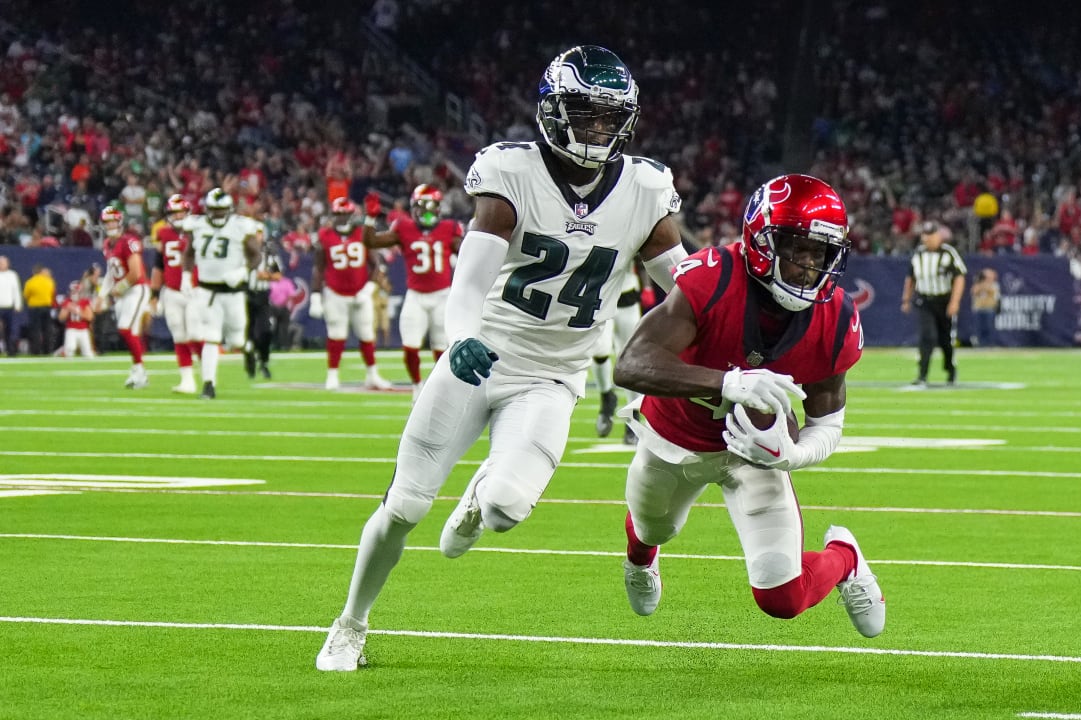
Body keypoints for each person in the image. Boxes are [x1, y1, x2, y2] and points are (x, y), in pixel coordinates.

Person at [315, 44, 690, 672]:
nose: (597, 129)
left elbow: (686, 291)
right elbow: (469, 281)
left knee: (505, 510)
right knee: (405, 505)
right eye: (584, 113)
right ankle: (351, 622)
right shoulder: (511, 172)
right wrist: (461, 337)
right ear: (552, 110)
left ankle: (477, 495)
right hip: (484, 353)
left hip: (554, 373)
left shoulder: (646, 188)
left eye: (608, 117)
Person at [612, 174, 885, 636]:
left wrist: (793, 455)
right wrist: (727, 382)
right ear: (760, 241)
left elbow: (828, 423)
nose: (805, 265)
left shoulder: (835, 316)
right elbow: (631, 364)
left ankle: (845, 559)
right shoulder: (714, 278)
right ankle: (641, 562)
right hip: (672, 438)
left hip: (752, 455)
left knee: (783, 598)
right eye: (794, 248)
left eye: (818, 252)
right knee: (653, 530)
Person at [362, 185, 465, 402]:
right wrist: (370, 219)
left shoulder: (449, 228)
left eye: (430, 206)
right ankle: (417, 385)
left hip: (442, 296)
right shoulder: (404, 228)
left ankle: (441, 388)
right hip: (416, 295)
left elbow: (468, 253)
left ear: (438, 208)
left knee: (440, 347)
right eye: (421, 206)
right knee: (410, 345)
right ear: (413, 208)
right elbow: (371, 241)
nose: (426, 212)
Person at [180, 187, 262, 399]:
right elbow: (189, 252)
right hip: (208, 291)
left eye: (221, 209)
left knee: (235, 339)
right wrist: (186, 276)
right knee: (211, 337)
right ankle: (209, 385)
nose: (217, 214)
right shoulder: (197, 225)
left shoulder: (240, 226)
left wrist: (243, 271)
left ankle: (247, 347)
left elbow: (256, 256)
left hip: (233, 292)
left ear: (229, 209)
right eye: (214, 209)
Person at [309, 196, 393, 391]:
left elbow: (377, 264)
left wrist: (370, 287)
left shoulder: (361, 234)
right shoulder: (325, 235)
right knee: (336, 334)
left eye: (344, 214)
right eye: (338, 214)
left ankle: (372, 375)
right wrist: (315, 295)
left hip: (360, 292)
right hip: (335, 293)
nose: (341, 218)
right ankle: (332, 374)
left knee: (366, 334)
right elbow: (319, 268)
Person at [901, 221, 967, 385]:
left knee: (945, 340)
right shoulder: (918, 254)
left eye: (931, 235)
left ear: (938, 236)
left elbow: (959, 277)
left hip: (944, 301)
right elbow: (911, 278)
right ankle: (922, 375)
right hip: (925, 301)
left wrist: (954, 302)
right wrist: (906, 299)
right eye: (926, 235)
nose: (928, 238)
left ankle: (950, 370)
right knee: (927, 336)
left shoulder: (949, 253)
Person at [149, 195, 199, 393]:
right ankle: (187, 380)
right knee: (179, 335)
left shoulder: (198, 232)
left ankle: (208, 374)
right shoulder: (164, 234)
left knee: (195, 334)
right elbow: (158, 266)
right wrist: (154, 294)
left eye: (180, 212)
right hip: (171, 291)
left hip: (195, 290)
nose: (177, 216)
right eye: (173, 212)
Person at [590, 259, 644, 443]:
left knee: (630, 360)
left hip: (627, 291)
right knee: (600, 350)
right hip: (599, 291)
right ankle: (607, 397)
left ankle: (633, 419)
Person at [97, 207, 151, 386]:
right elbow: (110, 273)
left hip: (136, 289)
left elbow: (135, 272)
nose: (110, 225)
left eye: (113, 221)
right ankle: (138, 371)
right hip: (123, 293)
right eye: (107, 222)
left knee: (125, 328)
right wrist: (101, 295)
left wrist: (119, 288)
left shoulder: (128, 241)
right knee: (130, 333)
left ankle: (140, 371)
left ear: (120, 222)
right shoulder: (107, 244)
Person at [245, 237, 284, 379]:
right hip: (245, 295)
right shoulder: (241, 249)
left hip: (262, 297)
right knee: (248, 333)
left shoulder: (269, 251)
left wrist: (266, 275)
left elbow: (278, 275)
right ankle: (249, 357)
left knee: (266, 330)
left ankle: (264, 361)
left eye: (260, 232)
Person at [23, 264, 55, 356]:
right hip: (46, 307)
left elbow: (26, 295)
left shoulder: (30, 282)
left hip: (34, 307)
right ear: (41, 272)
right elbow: (52, 293)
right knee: (47, 329)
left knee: (35, 330)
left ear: (33, 272)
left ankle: (35, 350)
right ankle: (47, 350)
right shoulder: (49, 281)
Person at [57, 281, 95, 357]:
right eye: (73, 291)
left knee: (88, 353)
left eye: (77, 291)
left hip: (83, 330)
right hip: (71, 329)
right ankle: (64, 354)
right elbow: (61, 317)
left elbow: (90, 317)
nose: (75, 293)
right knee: (70, 349)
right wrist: (68, 308)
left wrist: (78, 311)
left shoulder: (85, 302)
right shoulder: (67, 302)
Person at [969, 268, 1000, 347]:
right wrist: (981, 284)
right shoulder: (977, 284)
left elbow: (994, 294)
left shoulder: (995, 285)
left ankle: (989, 344)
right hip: (978, 309)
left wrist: (986, 286)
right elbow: (974, 292)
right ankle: (979, 344)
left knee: (989, 328)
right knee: (978, 328)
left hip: (989, 309)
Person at [0, 255, 22, 356]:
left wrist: (18, 304)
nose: (1, 265)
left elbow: (16, 290)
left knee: (9, 330)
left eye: (3, 263)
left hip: (8, 306)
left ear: (7, 264)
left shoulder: (13, 275)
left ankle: (10, 350)